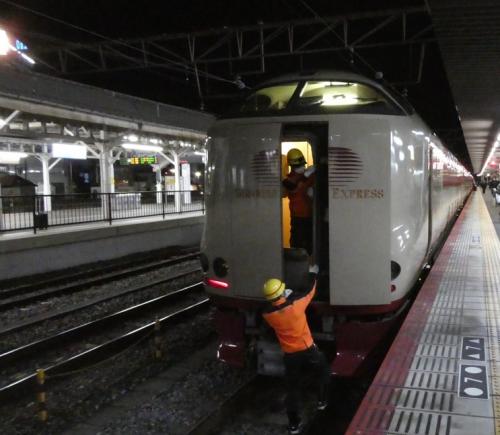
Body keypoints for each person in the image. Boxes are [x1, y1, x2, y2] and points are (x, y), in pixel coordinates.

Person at [262, 271, 330, 435]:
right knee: (323, 372)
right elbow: (310, 292)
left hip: (291, 357)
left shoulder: (268, 315)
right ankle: (322, 401)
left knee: (292, 389)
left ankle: (294, 425)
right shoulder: (296, 305)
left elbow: (277, 306)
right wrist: (314, 275)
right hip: (309, 351)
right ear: (282, 293)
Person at [282, 149, 315, 255]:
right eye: (299, 166)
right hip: (298, 218)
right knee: (297, 245)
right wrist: (306, 176)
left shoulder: (309, 175)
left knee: (310, 245)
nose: (302, 167)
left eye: (302, 165)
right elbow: (293, 188)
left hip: (311, 217)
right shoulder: (289, 179)